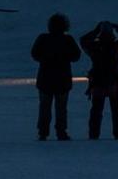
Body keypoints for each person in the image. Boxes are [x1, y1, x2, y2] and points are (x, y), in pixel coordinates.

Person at [30, 12, 81, 141]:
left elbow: (34, 54)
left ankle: (43, 132)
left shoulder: (43, 38)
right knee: (61, 108)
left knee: (44, 107)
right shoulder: (67, 40)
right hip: (62, 79)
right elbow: (76, 56)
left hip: (45, 79)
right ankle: (61, 131)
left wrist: (46, 59)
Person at [79, 20, 118, 140]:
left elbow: (83, 40)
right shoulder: (117, 47)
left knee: (96, 111)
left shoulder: (94, 48)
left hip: (98, 83)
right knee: (117, 111)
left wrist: (95, 31)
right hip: (114, 84)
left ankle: (94, 134)